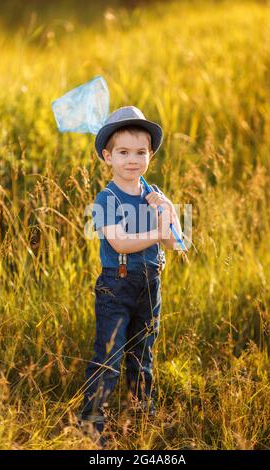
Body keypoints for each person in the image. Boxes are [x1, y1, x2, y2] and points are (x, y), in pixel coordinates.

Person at [77, 105, 182, 440]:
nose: (132, 160)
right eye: (123, 152)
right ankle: (91, 423)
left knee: (143, 352)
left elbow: (175, 244)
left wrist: (169, 213)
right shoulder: (105, 198)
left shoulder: (155, 196)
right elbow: (120, 243)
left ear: (150, 155)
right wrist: (156, 232)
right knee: (110, 354)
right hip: (116, 286)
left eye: (140, 152)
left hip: (150, 284)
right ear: (108, 156)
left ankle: (142, 413)